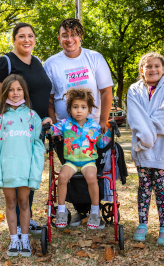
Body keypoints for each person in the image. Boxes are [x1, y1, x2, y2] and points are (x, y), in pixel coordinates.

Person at [44, 18, 113, 227]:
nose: (69, 39)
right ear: (59, 38)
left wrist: (103, 121)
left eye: (73, 34)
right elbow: (49, 98)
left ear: (80, 36)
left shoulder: (94, 58)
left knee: (93, 173)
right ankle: (78, 211)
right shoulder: (51, 63)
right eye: (65, 35)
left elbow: (106, 91)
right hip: (66, 131)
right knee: (69, 172)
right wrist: (55, 126)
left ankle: (94, 211)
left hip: (92, 130)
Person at [0, 22, 52, 236]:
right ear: (14, 39)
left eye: (30, 36)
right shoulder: (4, 63)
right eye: (21, 36)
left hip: (36, 128)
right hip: (14, 129)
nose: (26, 40)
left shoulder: (38, 62)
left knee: (30, 169)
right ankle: (24, 221)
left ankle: (28, 217)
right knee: (18, 173)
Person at [127, 52, 164, 246]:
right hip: (142, 147)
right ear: (142, 69)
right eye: (148, 66)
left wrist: (148, 132)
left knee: (160, 187)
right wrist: (146, 135)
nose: (152, 69)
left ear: (163, 68)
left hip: (162, 147)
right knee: (143, 186)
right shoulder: (134, 90)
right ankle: (142, 224)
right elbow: (135, 118)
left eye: (156, 66)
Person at [0, 74, 44, 257]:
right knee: (10, 203)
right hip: (7, 170)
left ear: (24, 92)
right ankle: (14, 240)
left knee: (24, 203)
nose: (15, 93)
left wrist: (35, 170)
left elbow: (37, 146)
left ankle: (25, 239)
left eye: (19, 89)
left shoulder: (32, 117)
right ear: (5, 92)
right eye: (11, 89)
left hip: (25, 170)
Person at [42, 88, 111, 229]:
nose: (79, 110)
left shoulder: (94, 126)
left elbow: (102, 143)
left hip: (88, 161)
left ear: (89, 109)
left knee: (92, 178)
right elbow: (52, 130)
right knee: (62, 177)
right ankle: (61, 211)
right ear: (70, 109)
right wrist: (46, 122)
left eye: (83, 107)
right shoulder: (65, 124)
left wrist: (109, 131)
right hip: (71, 161)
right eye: (75, 107)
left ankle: (94, 211)